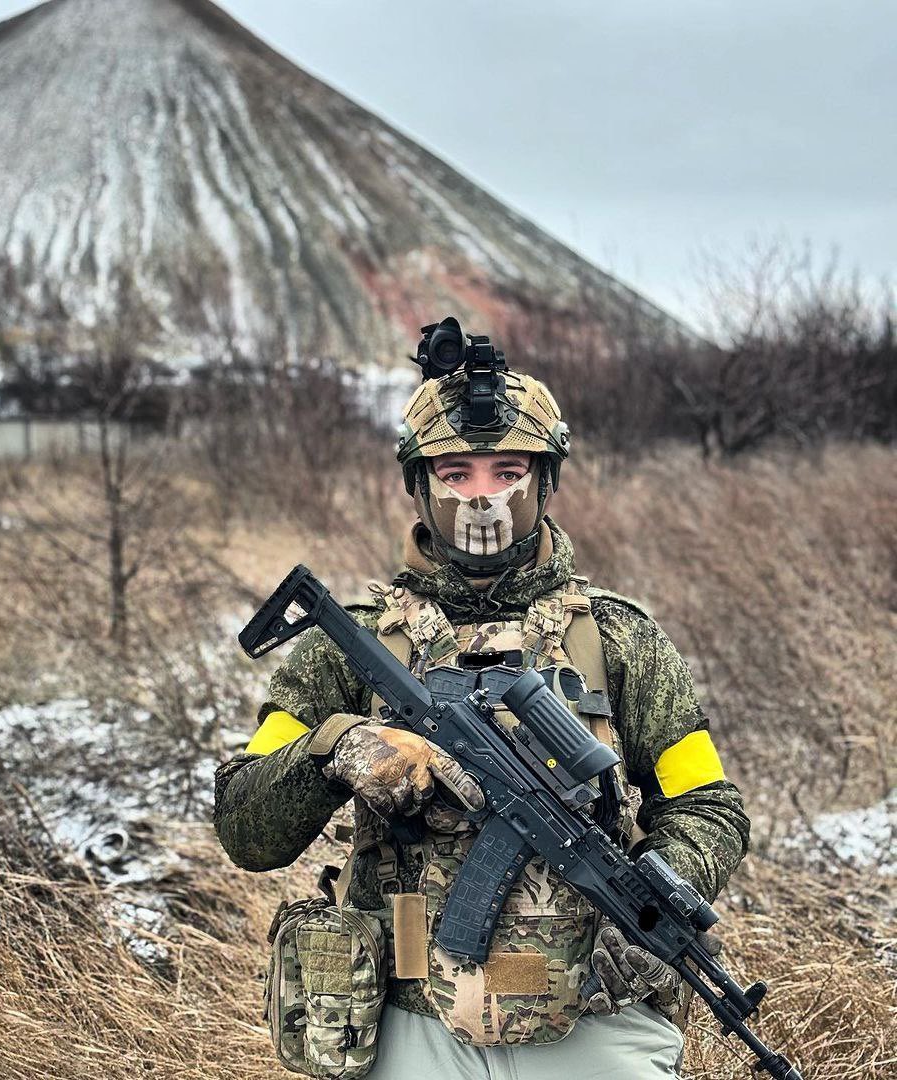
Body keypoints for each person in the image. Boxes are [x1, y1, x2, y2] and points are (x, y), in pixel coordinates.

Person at [214, 321, 749, 1079]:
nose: (483, 497)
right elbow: (245, 827)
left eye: (508, 471)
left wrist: (658, 885)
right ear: (420, 482)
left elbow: (708, 806)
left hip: (593, 1024)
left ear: (545, 479)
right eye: (456, 472)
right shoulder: (352, 643)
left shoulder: (619, 639)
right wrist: (334, 749)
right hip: (410, 1024)